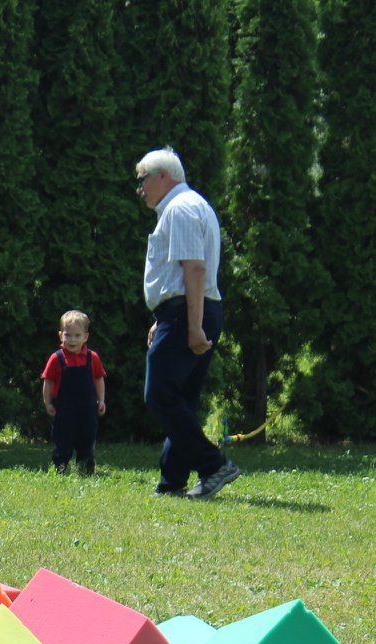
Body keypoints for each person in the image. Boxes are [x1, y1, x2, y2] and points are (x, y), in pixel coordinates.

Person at [136, 147, 239, 498]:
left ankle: (213, 465)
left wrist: (190, 324)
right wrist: (166, 316)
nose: (140, 189)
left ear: (162, 176)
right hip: (191, 309)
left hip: (188, 312)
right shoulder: (195, 205)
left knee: (160, 395)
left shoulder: (179, 209)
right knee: (181, 398)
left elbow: (193, 269)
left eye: (142, 180)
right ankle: (172, 481)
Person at [41, 309, 107, 475]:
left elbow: (99, 379)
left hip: (87, 408)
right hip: (64, 408)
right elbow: (48, 381)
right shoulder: (56, 358)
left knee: (87, 439)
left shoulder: (93, 358)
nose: (72, 340)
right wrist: (48, 402)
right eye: (68, 335)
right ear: (60, 335)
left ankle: (85, 468)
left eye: (77, 336)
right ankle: (61, 467)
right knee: (63, 439)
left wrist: (102, 400)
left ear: (85, 336)